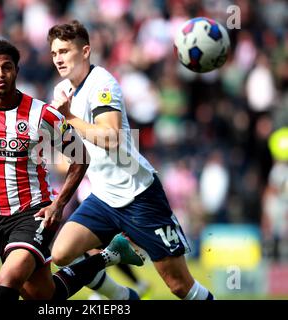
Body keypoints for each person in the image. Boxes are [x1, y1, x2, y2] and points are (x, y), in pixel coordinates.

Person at [0, 39, 144, 300]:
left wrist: (58, 204)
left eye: (7, 67)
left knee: (8, 280)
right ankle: (110, 259)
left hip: (35, 213)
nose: (0, 74)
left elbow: (80, 157)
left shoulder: (42, 115)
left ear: (16, 70)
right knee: (44, 296)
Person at [48, 20, 215, 300]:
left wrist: (70, 118)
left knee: (178, 286)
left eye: (64, 51)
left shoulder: (103, 83)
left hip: (138, 195)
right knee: (61, 253)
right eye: (54, 53)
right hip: (103, 197)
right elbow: (78, 147)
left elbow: (110, 137)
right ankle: (124, 293)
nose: (59, 59)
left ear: (86, 51)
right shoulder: (61, 91)